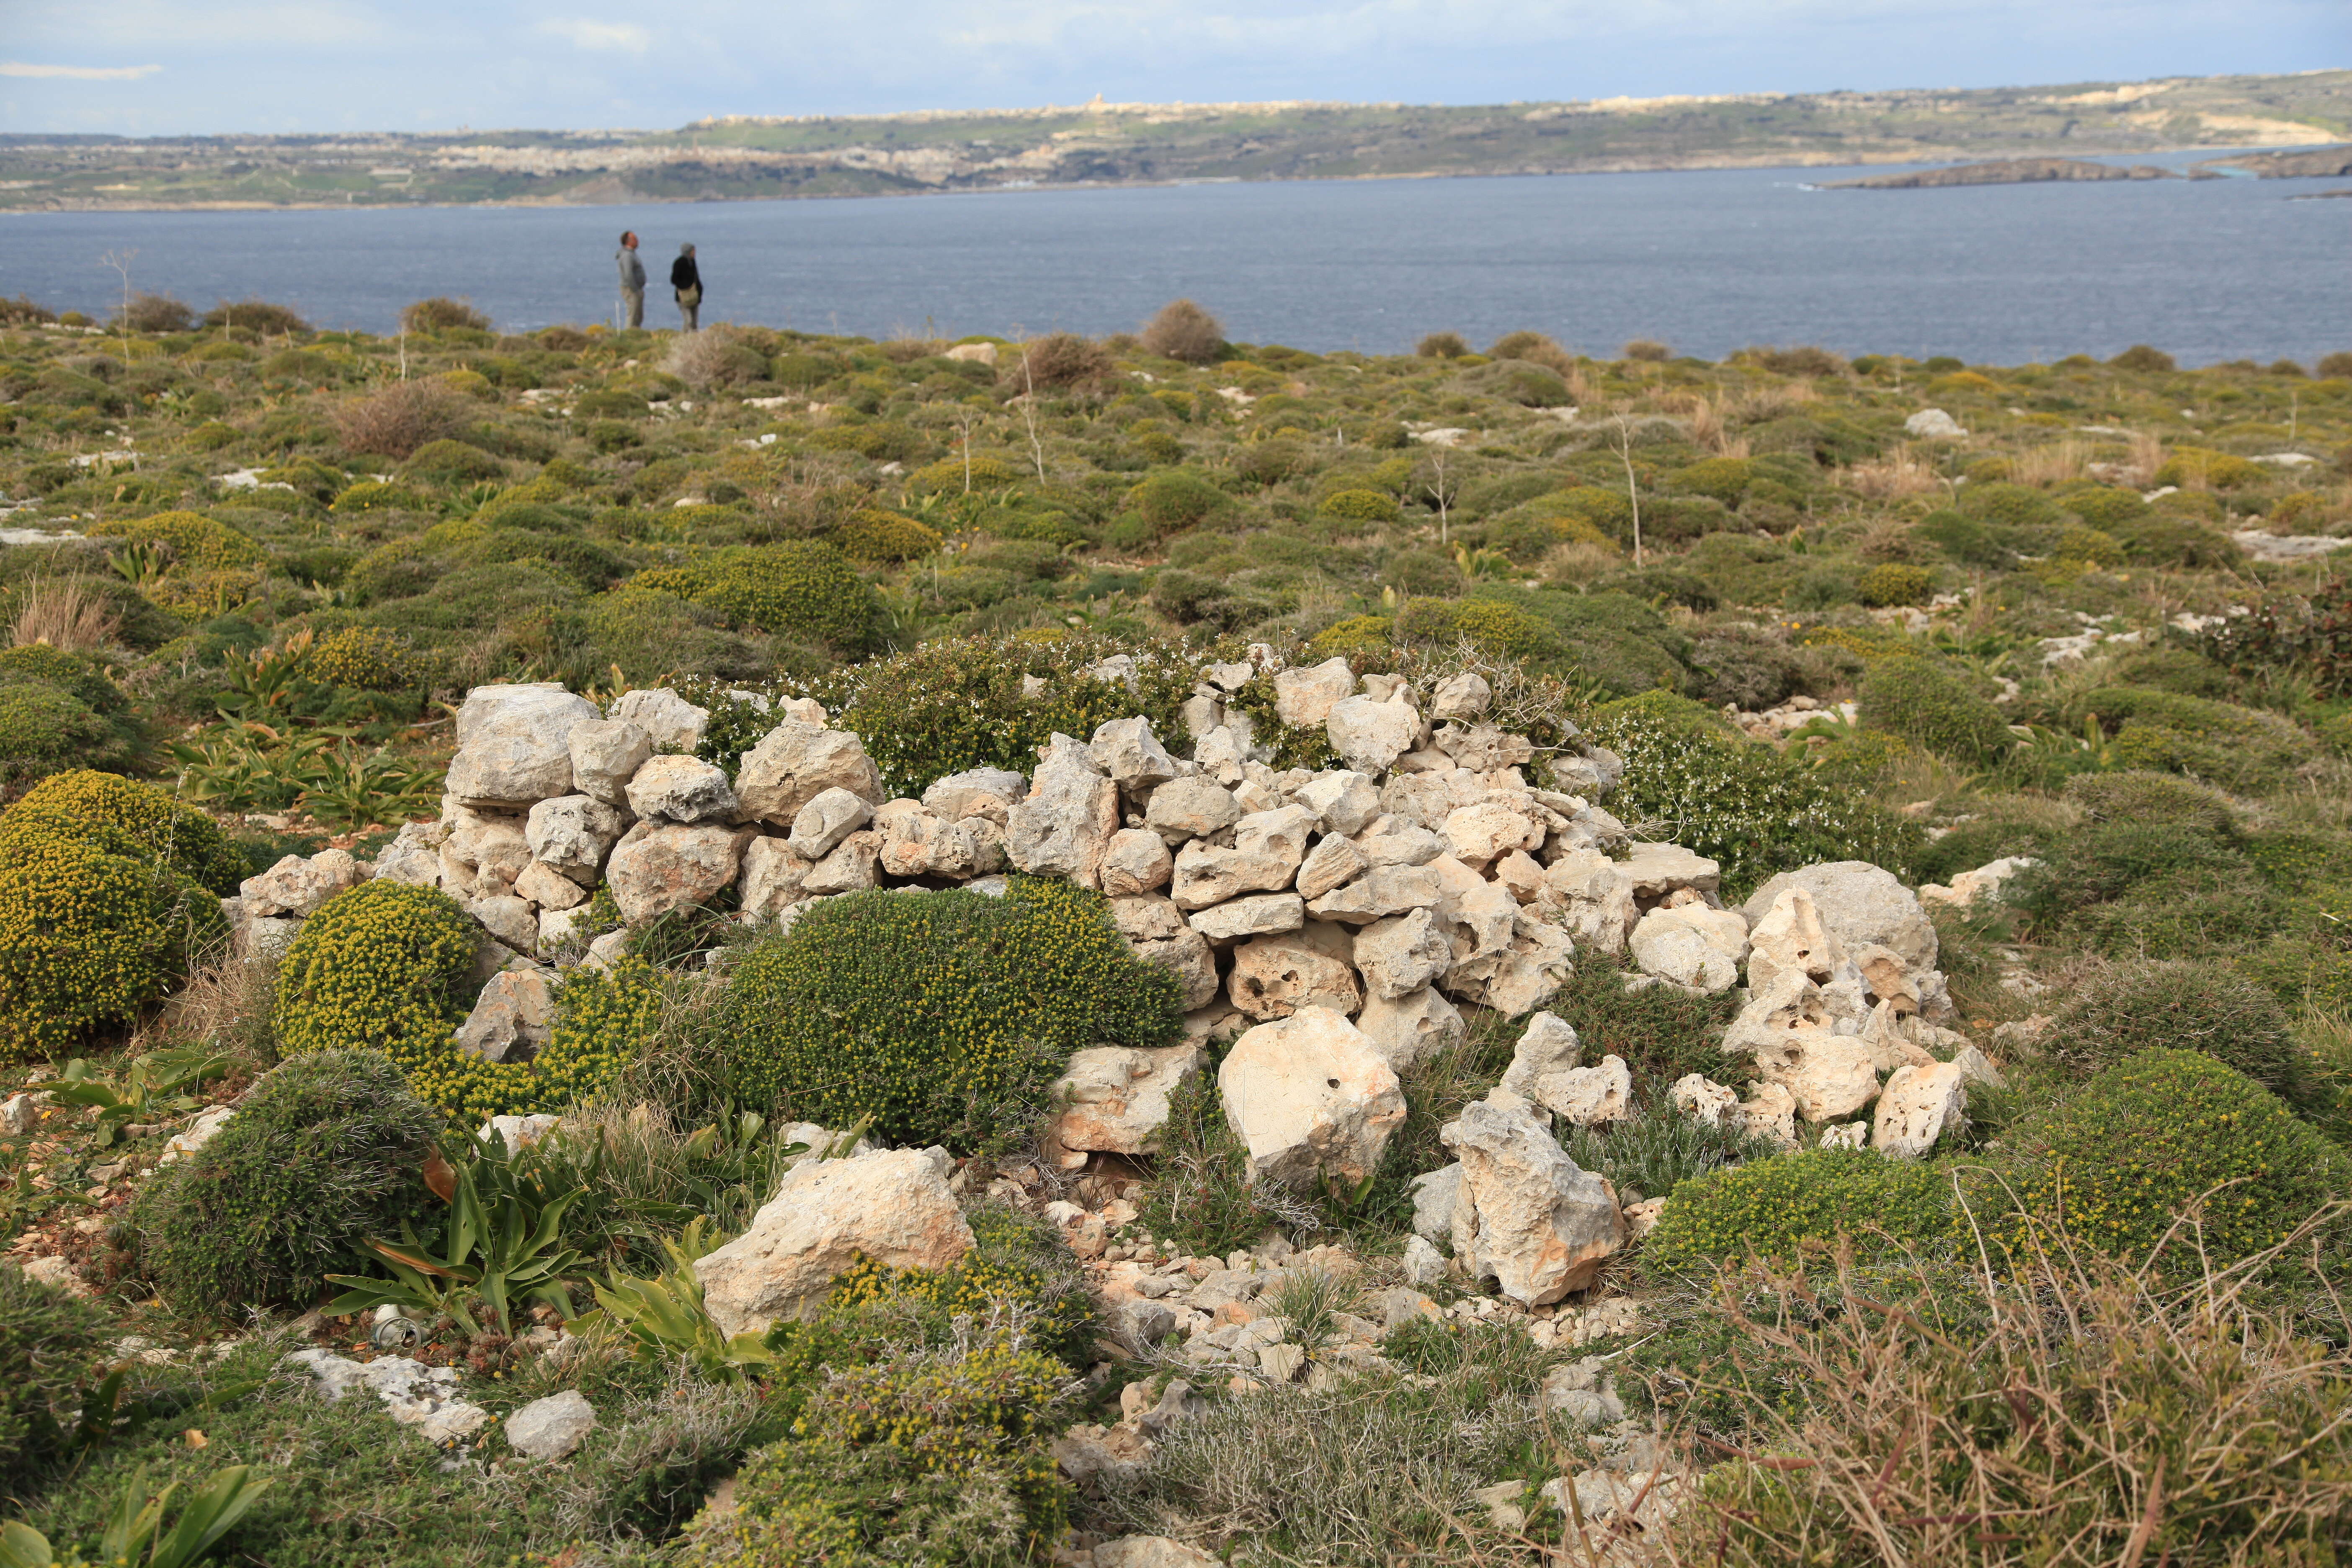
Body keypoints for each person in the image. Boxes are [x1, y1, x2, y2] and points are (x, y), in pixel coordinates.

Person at [615, 231, 646, 329]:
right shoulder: (627, 256)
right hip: (631, 289)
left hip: (635, 288)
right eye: (635, 239)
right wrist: (635, 289)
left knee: (637, 316)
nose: (638, 241)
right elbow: (628, 274)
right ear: (628, 241)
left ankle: (635, 334)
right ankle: (630, 336)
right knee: (633, 315)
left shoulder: (631, 254)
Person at [671, 243, 702, 332]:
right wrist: (686, 287)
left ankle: (694, 340)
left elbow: (696, 278)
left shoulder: (693, 262)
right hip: (683, 297)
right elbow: (674, 280)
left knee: (694, 323)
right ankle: (684, 338)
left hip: (694, 296)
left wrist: (699, 292)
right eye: (693, 251)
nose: (694, 253)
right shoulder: (679, 263)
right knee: (688, 321)